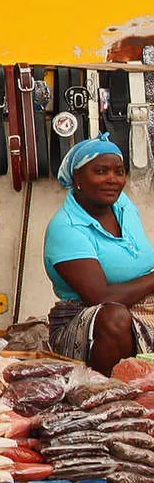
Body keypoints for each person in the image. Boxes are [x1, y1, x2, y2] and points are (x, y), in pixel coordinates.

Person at [42, 138, 154, 373]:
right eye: (100, 171)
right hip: (86, 322)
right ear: (77, 179)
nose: (112, 179)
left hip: (142, 306)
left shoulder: (122, 205)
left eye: (119, 172)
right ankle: (109, 387)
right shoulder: (67, 228)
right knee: (115, 318)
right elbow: (100, 296)